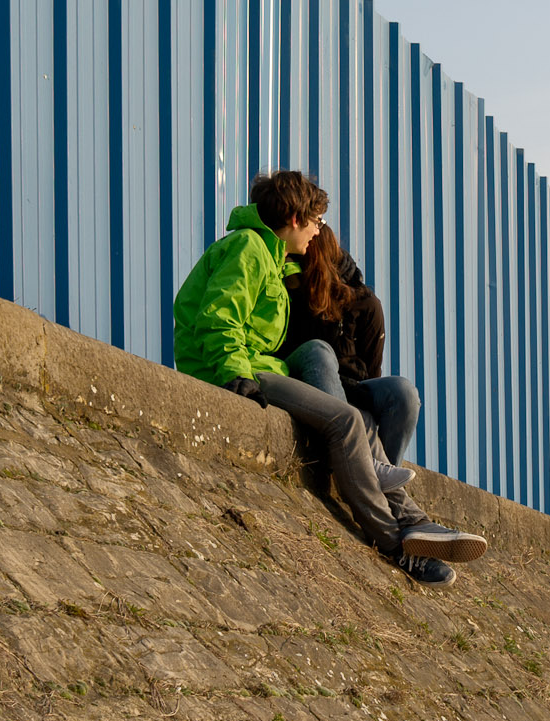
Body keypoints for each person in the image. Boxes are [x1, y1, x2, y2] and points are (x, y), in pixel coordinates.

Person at [173, 170, 486, 586]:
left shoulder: (270, 256)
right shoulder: (248, 248)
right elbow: (219, 317)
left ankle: (417, 522)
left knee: (356, 415)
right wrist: (234, 374)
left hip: (258, 364)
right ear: (296, 218)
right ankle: (396, 543)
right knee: (347, 421)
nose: (319, 231)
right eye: (317, 221)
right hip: (233, 369)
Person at [278, 223, 419, 470]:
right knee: (319, 352)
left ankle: (383, 471)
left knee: (404, 392)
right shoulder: (293, 291)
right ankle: (366, 466)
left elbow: (372, 369)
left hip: (352, 391)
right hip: (310, 386)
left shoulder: (366, 303)